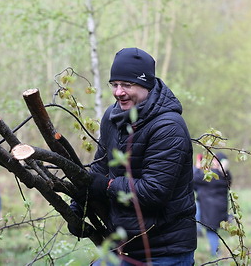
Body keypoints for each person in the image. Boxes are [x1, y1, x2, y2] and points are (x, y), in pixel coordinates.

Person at [68, 47, 197, 265]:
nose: (118, 92)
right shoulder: (113, 116)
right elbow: (99, 169)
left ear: (146, 85)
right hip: (124, 248)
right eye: (115, 85)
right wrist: (78, 206)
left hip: (163, 252)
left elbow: (153, 192)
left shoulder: (168, 127)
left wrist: (107, 186)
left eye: (127, 85)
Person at [193, 152, 231, 257]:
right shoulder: (226, 175)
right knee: (212, 230)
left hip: (210, 209)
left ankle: (215, 254)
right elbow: (198, 186)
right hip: (219, 208)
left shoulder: (212, 175)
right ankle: (214, 250)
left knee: (211, 231)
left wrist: (197, 166)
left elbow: (194, 177)